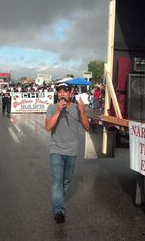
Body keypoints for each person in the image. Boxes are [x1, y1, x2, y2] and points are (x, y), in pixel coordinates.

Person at [45, 83, 90, 223]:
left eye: (65, 91)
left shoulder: (78, 108)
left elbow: (87, 127)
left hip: (72, 151)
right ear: (57, 94)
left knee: (66, 181)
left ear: (71, 93)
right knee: (57, 181)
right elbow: (48, 126)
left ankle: (58, 200)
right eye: (60, 92)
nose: (62, 94)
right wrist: (58, 111)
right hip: (56, 150)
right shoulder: (52, 108)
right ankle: (59, 210)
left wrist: (82, 112)